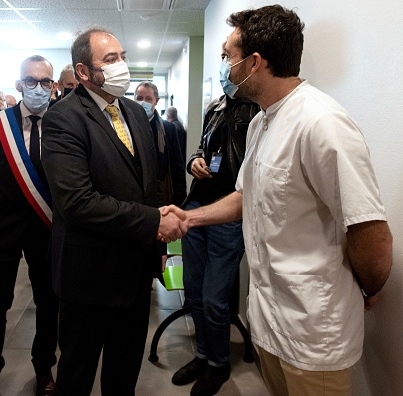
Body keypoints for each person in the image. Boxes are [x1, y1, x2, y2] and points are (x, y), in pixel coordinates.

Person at [162, 5, 392, 395]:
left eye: (227, 56)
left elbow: (370, 231)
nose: (224, 66)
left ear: (254, 62)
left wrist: (367, 287)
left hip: (313, 336)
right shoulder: (262, 121)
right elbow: (245, 196)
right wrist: (188, 219)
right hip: (270, 324)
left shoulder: (322, 123)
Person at [42, 27, 186, 396]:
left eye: (122, 56)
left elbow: (148, 183)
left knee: (124, 371)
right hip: (88, 275)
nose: (122, 65)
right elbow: (76, 201)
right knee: (77, 373)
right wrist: (155, 221)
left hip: (135, 269)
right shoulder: (63, 118)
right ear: (84, 71)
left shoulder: (136, 112)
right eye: (110, 60)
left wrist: (161, 220)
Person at [0, 55, 60, 396]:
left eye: (45, 81)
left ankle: (44, 369)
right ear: (19, 84)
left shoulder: (61, 122)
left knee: (48, 302)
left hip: (47, 226)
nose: (38, 87)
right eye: (31, 81)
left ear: (53, 86)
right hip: (3, 227)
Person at [170, 92, 259, 395]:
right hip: (197, 207)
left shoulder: (260, 108)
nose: (224, 62)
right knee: (193, 291)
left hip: (229, 215)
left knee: (213, 298)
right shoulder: (216, 105)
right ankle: (203, 356)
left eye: (228, 55)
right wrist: (195, 160)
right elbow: (202, 146)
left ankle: (219, 365)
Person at [134, 81, 186, 206]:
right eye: (139, 98)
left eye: (148, 99)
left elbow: (177, 166)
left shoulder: (168, 129)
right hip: (134, 192)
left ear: (156, 101)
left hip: (160, 190)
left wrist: (180, 201)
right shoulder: (126, 126)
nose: (143, 102)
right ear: (134, 99)